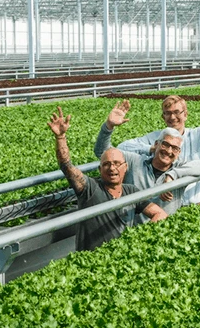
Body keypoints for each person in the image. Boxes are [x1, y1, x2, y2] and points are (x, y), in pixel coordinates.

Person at [117, 59, 200, 205]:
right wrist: (151, 148)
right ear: (163, 117)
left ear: (185, 114)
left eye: (177, 112)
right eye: (167, 113)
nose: (173, 117)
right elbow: (122, 148)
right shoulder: (156, 138)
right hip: (166, 209)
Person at [48, 106, 167, 252]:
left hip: (122, 258)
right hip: (91, 260)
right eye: (106, 164)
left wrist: (139, 240)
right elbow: (67, 167)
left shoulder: (130, 191)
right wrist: (60, 137)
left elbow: (159, 213)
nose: (112, 168)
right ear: (100, 169)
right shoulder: (90, 188)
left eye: (117, 164)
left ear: (126, 167)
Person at [94, 100, 200, 218]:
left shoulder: (179, 168)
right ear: (156, 144)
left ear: (178, 152)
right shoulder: (135, 162)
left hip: (165, 231)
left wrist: (172, 176)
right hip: (132, 229)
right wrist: (108, 126)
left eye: (174, 148)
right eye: (165, 144)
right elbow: (103, 152)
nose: (169, 151)